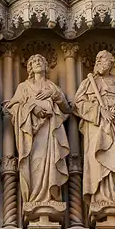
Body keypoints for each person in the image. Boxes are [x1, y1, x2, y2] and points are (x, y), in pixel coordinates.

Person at [74, 50, 115, 210]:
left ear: (111, 64)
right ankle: (100, 194)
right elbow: (77, 104)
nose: (102, 64)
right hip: (96, 126)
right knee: (99, 160)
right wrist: (99, 111)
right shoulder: (89, 82)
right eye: (99, 61)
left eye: (106, 61)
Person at [6, 54, 70, 204]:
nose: (37, 63)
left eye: (40, 61)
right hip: (31, 134)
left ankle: (49, 196)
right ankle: (35, 197)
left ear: (46, 66)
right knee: (35, 163)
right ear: (29, 67)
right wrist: (32, 108)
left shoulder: (52, 86)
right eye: (33, 61)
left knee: (49, 162)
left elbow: (67, 108)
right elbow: (12, 107)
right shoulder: (24, 87)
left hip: (50, 131)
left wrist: (53, 94)